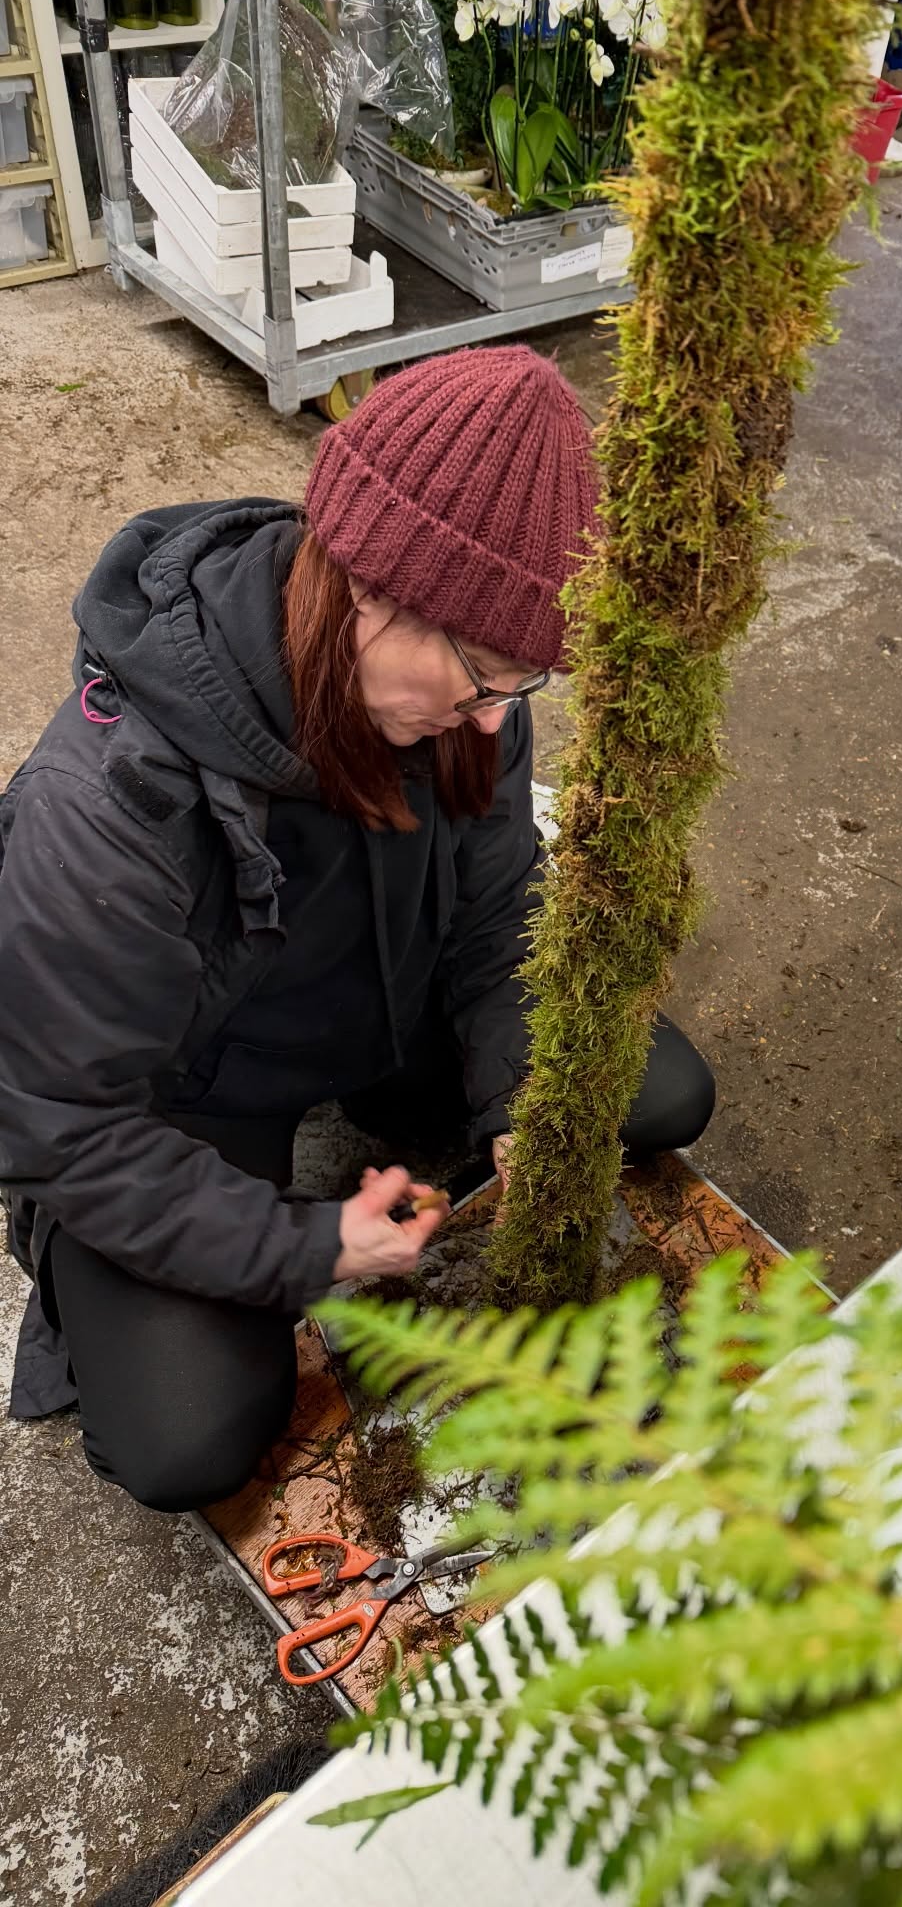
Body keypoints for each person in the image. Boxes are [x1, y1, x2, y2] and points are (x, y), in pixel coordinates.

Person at [0, 348, 714, 1512]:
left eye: (520, 688)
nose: (493, 720)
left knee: (658, 1097)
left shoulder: (469, 706)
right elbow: (65, 1126)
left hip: (390, 1002)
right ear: (367, 587)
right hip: (201, 1089)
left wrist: (516, 1098)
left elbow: (500, 915)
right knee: (188, 1439)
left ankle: (408, 1098)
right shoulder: (110, 806)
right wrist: (315, 1245)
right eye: (483, 677)